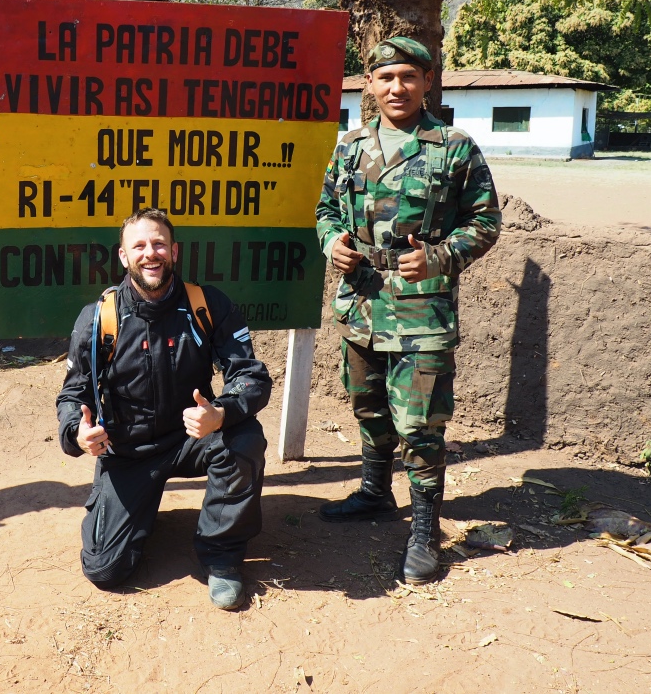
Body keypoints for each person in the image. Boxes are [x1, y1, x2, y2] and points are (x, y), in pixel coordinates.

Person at [316, 37, 501, 584]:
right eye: (385, 78)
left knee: (419, 425)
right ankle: (375, 493)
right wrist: (332, 243)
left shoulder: (453, 148)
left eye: (408, 77)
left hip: (422, 314)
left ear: (426, 82)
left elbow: (486, 222)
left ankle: (424, 531)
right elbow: (326, 208)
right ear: (369, 85)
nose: (396, 88)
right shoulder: (351, 146)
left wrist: (442, 256)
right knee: (369, 411)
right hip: (361, 304)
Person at [56, 209, 272, 610]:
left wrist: (220, 413)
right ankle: (136, 509)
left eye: (158, 244)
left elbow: (251, 377)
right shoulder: (100, 317)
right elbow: (74, 395)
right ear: (124, 257)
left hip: (192, 436)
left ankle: (221, 555)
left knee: (243, 438)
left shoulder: (206, 304)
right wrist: (77, 433)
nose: (149, 254)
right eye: (138, 246)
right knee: (105, 570)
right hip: (129, 451)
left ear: (173, 251)